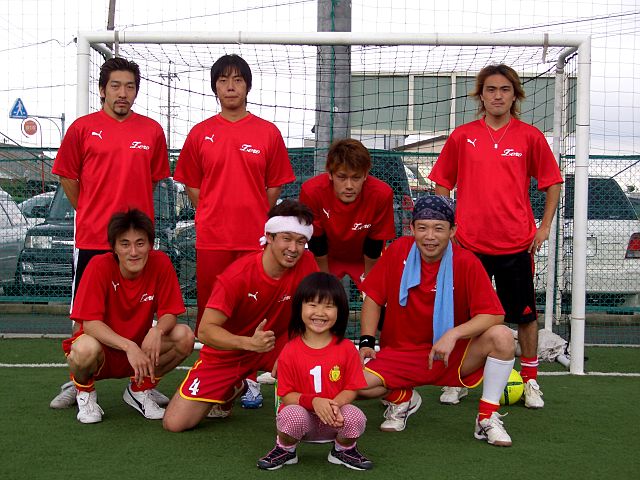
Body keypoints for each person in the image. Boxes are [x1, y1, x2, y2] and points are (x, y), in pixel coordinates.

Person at [428, 64, 562, 408]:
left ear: (515, 95)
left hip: (516, 243)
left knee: (525, 315)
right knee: (463, 314)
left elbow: (552, 183)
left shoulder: (530, 136)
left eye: (505, 89)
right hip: (469, 244)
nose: (498, 96)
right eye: (491, 89)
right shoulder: (463, 136)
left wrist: (544, 227)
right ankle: (456, 379)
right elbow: (442, 181)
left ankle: (530, 380)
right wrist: (448, 225)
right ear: (481, 95)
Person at [174, 54, 295, 408]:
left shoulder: (267, 133)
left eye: (237, 80)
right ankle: (217, 378)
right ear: (215, 87)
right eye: (224, 80)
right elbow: (192, 184)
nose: (230, 86)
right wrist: (213, 210)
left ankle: (249, 378)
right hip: (212, 239)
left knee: (254, 311)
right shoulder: (200, 133)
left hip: (254, 240)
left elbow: (273, 187)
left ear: (247, 86)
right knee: (214, 312)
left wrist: (252, 213)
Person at [50, 57, 171, 410]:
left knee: (140, 312)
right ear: (102, 90)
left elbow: (153, 180)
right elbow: (68, 177)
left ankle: (140, 385)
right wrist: (91, 211)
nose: (123, 93)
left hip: (137, 242)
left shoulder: (151, 131)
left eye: (130, 87)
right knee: (84, 319)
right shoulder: (82, 128)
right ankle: (80, 382)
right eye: (115, 86)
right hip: (93, 238)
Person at [358, 196, 517, 446]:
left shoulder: (466, 262)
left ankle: (487, 418)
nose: (430, 236)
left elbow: (494, 314)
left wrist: (453, 334)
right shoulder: (398, 250)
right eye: (422, 227)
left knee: (503, 336)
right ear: (412, 229)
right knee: (354, 385)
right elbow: (373, 298)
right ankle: (403, 398)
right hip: (401, 353)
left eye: (439, 228)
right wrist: (367, 341)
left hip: (449, 355)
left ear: (452, 231)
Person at [162, 200, 319, 432]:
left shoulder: (307, 263)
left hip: (278, 344)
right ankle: (237, 386)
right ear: (269, 237)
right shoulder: (237, 276)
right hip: (232, 350)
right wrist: (248, 343)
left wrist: (298, 351)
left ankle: (295, 405)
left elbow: (317, 312)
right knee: (175, 423)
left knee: (316, 369)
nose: (294, 248)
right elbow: (205, 330)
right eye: (286, 238)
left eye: (301, 241)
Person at [61, 209, 194, 423]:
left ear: (150, 245)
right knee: (84, 348)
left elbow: (170, 312)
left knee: (184, 336)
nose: (133, 252)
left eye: (140, 243)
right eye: (125, 244)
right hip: (104, 351)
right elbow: (91, 324)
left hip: (140, 349)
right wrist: (128, 346)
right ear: (114, 247)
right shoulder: (98, 266)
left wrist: (157, 330)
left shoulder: (160, 262)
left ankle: (139, 390)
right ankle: (85, 393)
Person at [257, 272, 373, 471]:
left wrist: (334, 406)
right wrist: (314, 402)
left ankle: (343, 450)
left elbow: (352, 388)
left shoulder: (347, 348)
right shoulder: (290, 350)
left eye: (329, 306)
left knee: (355, 416)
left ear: (340, 310)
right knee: (291, 415)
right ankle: (286, 449)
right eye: (312, 304)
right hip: (303, 420)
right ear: (299, 307)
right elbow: (286, 395)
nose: (320, 312)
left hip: (334, 418)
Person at [299, 138, 395, 291]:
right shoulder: (312, 191)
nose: (349, 186)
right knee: (320, 293)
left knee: (376, 294)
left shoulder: (381, 194)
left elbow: (374, 244)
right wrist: (324, 283)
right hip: (326, 256)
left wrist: (370, 287)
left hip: (365, 258)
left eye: (356, 177)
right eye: (342, 177)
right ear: (330, 174)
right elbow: (317, 242)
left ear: (365, 175)